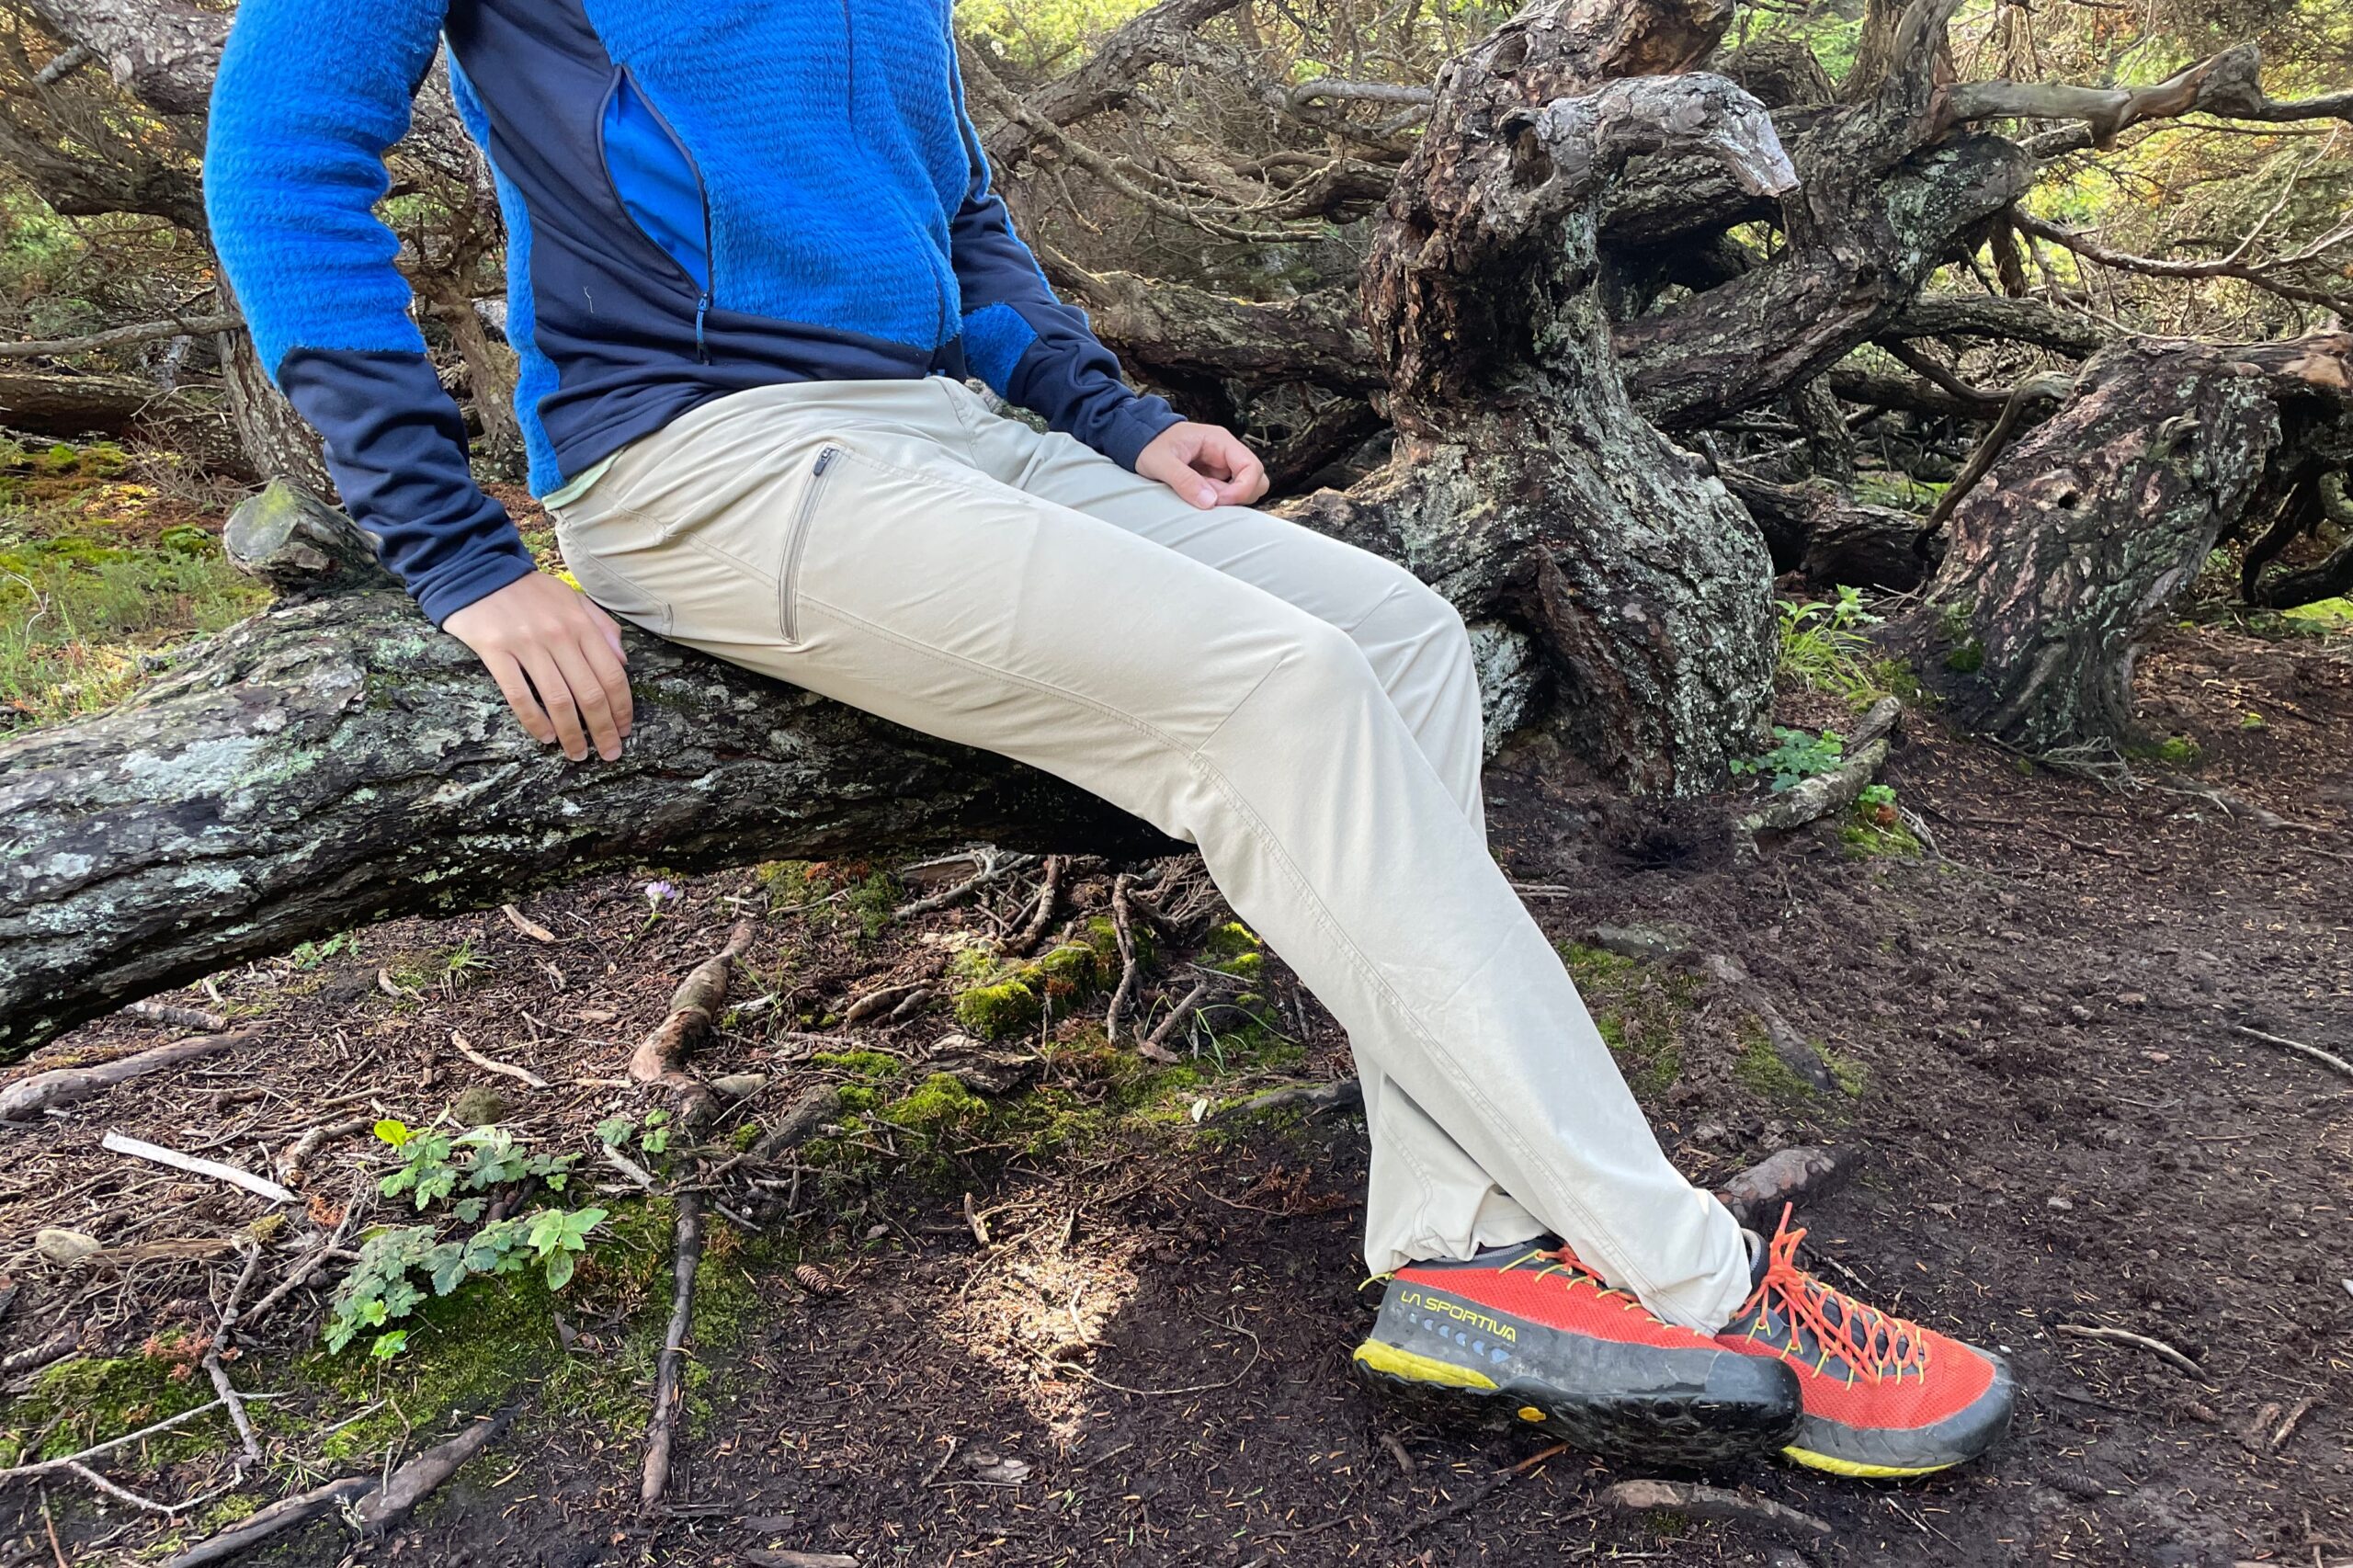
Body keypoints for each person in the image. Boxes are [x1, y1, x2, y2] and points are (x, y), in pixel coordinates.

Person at [205, 0, 2013, 1477]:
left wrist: (1110, 415)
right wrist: (456, 555)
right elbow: (280, 158)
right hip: (699, 452)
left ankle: (1461, 1250)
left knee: (1394, 633)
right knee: (1276, 687)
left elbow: (956, 215)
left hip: (938, 424)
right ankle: (1694, 1284)